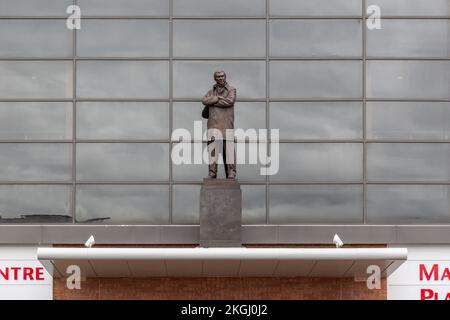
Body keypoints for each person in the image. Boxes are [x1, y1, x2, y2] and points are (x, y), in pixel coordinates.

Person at [201, 70, 237, 179]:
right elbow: (204, 100)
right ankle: (212, 172)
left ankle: (231, 172)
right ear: (215, 79)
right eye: (218, 77)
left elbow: (230, 101)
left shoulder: (231, 89)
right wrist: (216, 98)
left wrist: (213, 103)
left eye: (222, 76)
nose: (221, 78)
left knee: (229, 150)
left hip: (227, 123)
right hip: (213, 124)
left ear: (225, 77)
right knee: (212, 149)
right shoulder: (211, 91)